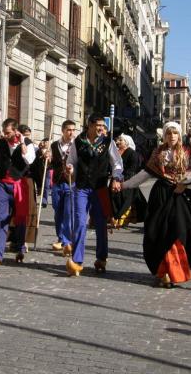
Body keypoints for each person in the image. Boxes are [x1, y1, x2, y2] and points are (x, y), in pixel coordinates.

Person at [120, 121, 191, 288]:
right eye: (169, 133)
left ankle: (175, 272)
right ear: (165, 136)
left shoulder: (186, 153)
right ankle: (164, 272)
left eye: (175, 133)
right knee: (158, 233)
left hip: (179, 196)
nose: (172, 136)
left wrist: (185, 185)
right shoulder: (158, 152)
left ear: (179, 135)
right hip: (160, 195)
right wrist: (124, 185)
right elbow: (144, 174)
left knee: (178, 231)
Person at [63, 114, 123, 276]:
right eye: (98, 125)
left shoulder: (107, 142)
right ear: (89, 125)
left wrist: (117, 177)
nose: (101, 129)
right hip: (81, 187)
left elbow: (117, 163)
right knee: (80, 223)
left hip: (100, 188)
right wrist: (69, 168)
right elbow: (71, 161)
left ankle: (101, 258)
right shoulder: (78, 142)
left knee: (101, 225)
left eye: (103, 126)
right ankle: (77, 261)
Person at [0, 118, 36, 266]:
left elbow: (30, 160)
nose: (5, 135)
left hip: (19, 184)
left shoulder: (27, 143)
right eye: (4, 133)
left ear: (15, 131)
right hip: (2, 185)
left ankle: (19, 246)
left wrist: (24, 150)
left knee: (20, 218)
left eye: (8, 133)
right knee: (0, 217)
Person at [44, 120, 77, 254]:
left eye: (73, 130)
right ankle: (60, 237)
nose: (71, 132)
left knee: (68, 213)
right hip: (57, 183)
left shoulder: (76, 145)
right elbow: (50, 163)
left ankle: (67, 241)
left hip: (71, 183)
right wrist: (47, 157)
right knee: (58, 212)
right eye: (69, 130)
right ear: (63, 130)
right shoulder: (54, 145)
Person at [111, 133, 143, 228]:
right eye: (118, 140)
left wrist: (123, 177)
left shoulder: (132, 153)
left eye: (121, 140)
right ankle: (114, 218)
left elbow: (132, 168)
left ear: (126, 142)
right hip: (116, 179)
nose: (118, 142)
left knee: (126, 200)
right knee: (114, 199)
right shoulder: (115, 152)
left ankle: (122, 220)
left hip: (128, 179)